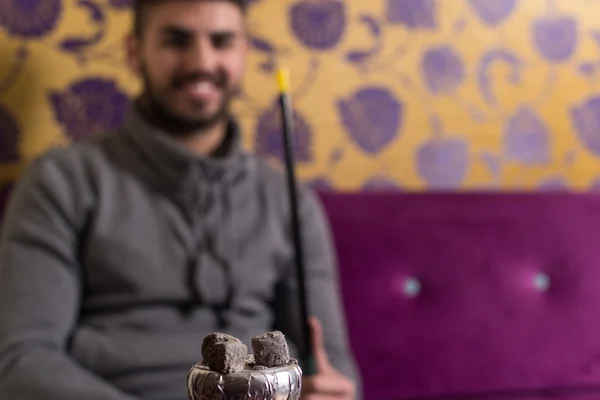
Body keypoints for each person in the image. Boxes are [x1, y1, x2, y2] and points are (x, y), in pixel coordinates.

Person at [0, 0, 361, 399]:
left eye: (222, 41)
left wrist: (332, 390)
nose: (201, 62)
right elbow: (21, 360)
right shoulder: (60, 181)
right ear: (134, 52)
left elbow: (334, 367)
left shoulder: (290, 200)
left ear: (244, 52)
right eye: (176, 40)